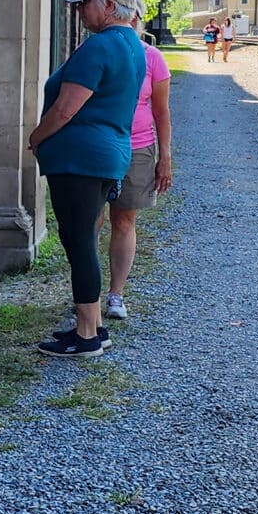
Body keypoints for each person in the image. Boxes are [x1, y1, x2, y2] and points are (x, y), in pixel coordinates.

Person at [31, 0, 150, 359]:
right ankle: (94, 325)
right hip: (107, 155)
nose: (79, 10)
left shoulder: (99, 46)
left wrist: (36, 137)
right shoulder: (133, 45)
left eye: (85, 2)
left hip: (79, 159)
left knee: (79, 242)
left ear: (109, 5)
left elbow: (66, 108)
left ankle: (85, 336)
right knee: (84, 239)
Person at [104, 17, 174, 321]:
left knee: (124, 220)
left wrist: (165, 156)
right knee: (90, 221)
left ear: (135, 19)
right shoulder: (97, 50)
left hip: (138, 148)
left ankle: (116, 294)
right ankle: (85, 294)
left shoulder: (152, 57)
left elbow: (161, 111)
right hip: (99, 147)